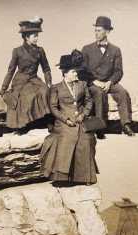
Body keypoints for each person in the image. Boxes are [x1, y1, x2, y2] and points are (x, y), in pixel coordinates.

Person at [40, 51, 98, 185]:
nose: (76, 74)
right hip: (64, 122)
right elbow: (54, 107)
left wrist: (83, 114)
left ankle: (85, 178)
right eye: (73, 72)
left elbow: (89, 101)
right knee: (66, 140)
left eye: (76, 71)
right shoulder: (56, 88)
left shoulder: (82, 84)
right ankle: (62, 178)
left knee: (86, 140)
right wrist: (65, 119)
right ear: (65, 73)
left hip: (80, 121)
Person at [0, 17, 52, 134]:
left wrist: (49, 83)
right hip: (20, 80)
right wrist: (3, 88)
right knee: (25, 97)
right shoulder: (17, 51)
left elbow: (46, 68)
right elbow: (11, 70)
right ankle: (23, 126)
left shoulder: (40, 50)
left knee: (45, 91)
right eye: (34, 36)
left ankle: (48, 121)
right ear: (26, 37)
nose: (37, 38)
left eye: (37, 35)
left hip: (34, 80)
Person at [81, 16, 134, 139]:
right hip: (93, 83)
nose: (96, 33)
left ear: (107, 32)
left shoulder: (116, 50)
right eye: (95, 30)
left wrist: (110, 82)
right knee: (99, 94)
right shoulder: (86, 49)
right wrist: (94, 81)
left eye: (99, 30)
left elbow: (119, 71)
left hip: (109, 82)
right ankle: (99, 127)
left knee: (122, 92)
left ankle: (126, 124)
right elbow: (82, 71)